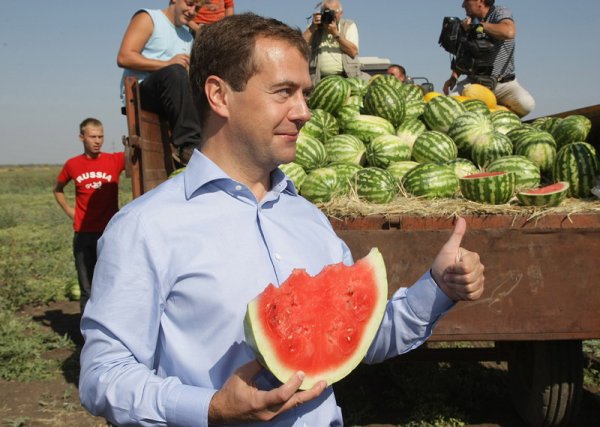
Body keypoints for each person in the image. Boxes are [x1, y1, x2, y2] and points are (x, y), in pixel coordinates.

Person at [79, 13, 485, 426]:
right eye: (284, 92)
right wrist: (211, 407)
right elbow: (103, 375)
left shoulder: (307, 217)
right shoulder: (146, 227)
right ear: (219, 96)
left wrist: (437, 286)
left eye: (305, 94)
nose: (304, 111)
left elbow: (357, 337)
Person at [117, 0, 204, 164]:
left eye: (197, 8)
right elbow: (125, 57)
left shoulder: (187, 36)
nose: (192, 11)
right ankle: (189, 147)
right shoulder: (149, 18)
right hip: (141, 93)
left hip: (173, 95)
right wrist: (167, 64)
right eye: (189, 4)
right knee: (175, 72)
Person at [53, 118, 125, 313]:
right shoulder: (72, 165)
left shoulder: (115, 160)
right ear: (81, 137)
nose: (97, 141)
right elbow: (58, 189)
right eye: (92, 136)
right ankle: (86, 338)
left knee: (112, 284)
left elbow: (138, 159)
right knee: (87, 289)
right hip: (84, 234)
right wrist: (70, 212)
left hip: (109, 233)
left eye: (101, 136)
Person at [442, 0, 535, 117]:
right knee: (450, 107)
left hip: (503, 83)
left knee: (526, 104)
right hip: (475, 84)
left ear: (480, 1)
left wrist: (478, 27)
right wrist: (453, 77)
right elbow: (465, 55)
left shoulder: (499, 12)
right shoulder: (468, 22)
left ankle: (501, 115)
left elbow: (509, 32)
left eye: (466, 1)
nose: (462, 5)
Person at [302, 0, 364, 84]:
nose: (329, 15)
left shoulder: (348, 25)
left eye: (332, 12)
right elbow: (300, 47)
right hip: (319, 79)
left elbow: (353, 52)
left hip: (346, 77)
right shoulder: (314, 27)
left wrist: (336, 34)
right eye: (326, 12)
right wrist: (312, 27)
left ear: (341, 14)